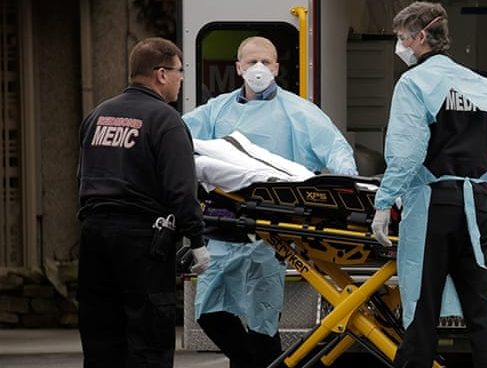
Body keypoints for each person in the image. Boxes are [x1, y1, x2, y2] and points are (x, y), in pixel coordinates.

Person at [370, 1, 487, 368]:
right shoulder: (484, 87)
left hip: (433, 208)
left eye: (402, 37)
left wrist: (384, 201)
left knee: (422, 306)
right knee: (481, 310)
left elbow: (408, 152)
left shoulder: (414, 84)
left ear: (419, 37)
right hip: (479, 207)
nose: (400, 46)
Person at [182, 36, 358, 368]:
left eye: (265, 61)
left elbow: (335, 148)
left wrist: (349, 187)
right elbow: (177, 133)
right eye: (251, 62)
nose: (258, 68)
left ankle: (257, 362)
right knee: (209, 312)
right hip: (225, 222)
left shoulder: (299, 112)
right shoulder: (217, 110)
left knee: (262, 320)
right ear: (238, 68)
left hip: (271, 227)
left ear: (277, 68)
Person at [77, 37, 210, 368]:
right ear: (161, 74)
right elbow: (181, 189)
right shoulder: (166, 120)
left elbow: (83, 176)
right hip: (142, 240)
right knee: (149, 338)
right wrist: (197, 241)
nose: (181, 79)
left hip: (94, 236)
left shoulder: (98, 115)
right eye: (179, 71)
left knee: (101, 337)